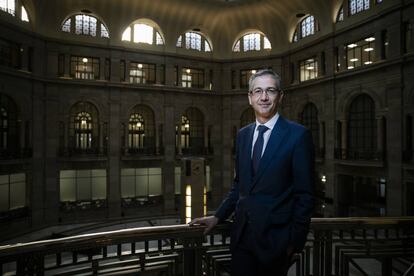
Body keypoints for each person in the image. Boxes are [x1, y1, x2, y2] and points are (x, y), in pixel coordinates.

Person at [189, 69, 314, 276]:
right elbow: (240, 186)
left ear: (280, 96)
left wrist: (294, 243)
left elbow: (305, 195)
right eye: (258, 91)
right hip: (241, 242)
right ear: (250, 98)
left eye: (270, 91)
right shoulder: (243, 135)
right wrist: (218, 217)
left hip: (276, 245)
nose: (264, 97)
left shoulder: (298, 135)